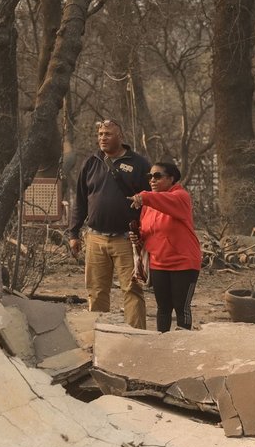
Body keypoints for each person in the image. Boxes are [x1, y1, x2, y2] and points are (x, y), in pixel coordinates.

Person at [67, 119, 151, 329]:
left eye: (108, 134)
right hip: (95, 237)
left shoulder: (138, 164)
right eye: (100, 134)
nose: (103, 138)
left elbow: (151, 201)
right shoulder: (91, 162)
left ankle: (136, 335)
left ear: (120, 136)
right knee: (96, 290)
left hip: (127, 238)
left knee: (132, 289)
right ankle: (97, 335)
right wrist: (73, 233)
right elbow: (80, 200)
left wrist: (145, 233)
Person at [128, 161, 202, 332]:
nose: (152, 180)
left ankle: (182, 347)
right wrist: (137, 236)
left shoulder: (180, 197)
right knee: (163, 309)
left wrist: (143, 196)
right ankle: (162, 345)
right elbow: (147, 230)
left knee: (181, 307)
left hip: (184, 262)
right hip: (159, 263)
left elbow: (163, 200)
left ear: (171, 178)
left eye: (157, 176)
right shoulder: (149, 204)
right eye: (150, 176)